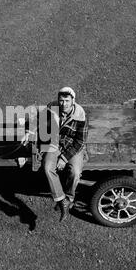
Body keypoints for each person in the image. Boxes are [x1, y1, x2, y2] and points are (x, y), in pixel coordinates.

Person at [42, 87, 88, 222]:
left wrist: (64, 158)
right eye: (61, 100)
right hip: (55, 143)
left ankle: (69, 197)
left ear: (73, 100)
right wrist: (30, 131)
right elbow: (40, 120)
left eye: (67, 101)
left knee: (75, 171)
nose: (64, 104)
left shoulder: (81, 115)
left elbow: (80, 141)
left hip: (72, 146)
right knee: (47, 167)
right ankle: (62, 200)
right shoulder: (51, 107)